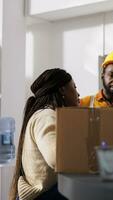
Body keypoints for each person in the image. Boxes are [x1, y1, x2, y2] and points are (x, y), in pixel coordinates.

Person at [9, 68, 80, 200]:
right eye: (74, 87)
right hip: (44, 196)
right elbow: (57, 158)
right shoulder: (46, 116)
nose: (78, 93)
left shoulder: (45, 114)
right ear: (62, 90)